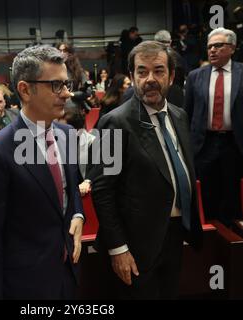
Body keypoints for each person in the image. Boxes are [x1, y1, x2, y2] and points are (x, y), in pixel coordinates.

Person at [0, 45, 84, 299]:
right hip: (25, 286)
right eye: (56, 85)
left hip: (68, 276)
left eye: (67, 84)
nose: (67, 93)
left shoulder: (66, 135)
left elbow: (70, 188)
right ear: (25, 89)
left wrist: (77, 213)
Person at [91, 41, 202, 299]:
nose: (150, 79)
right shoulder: (113, 122)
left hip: (175, 235)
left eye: (159, 71)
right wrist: (118, 248)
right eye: (142, 72)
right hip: (135, 244)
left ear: (172, 76)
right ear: (132, 76)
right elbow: (102, 190)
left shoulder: (180, 116)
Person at [185, 27, 243, 225]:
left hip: (236, 145)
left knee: (232, 201)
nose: (212, 50)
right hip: (203, 146)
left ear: (232, 48)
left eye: (218, 46)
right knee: (205, 199)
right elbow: (186, 115)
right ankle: (208, 242)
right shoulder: (195, 76)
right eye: (209, 47)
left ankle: (235, 244)